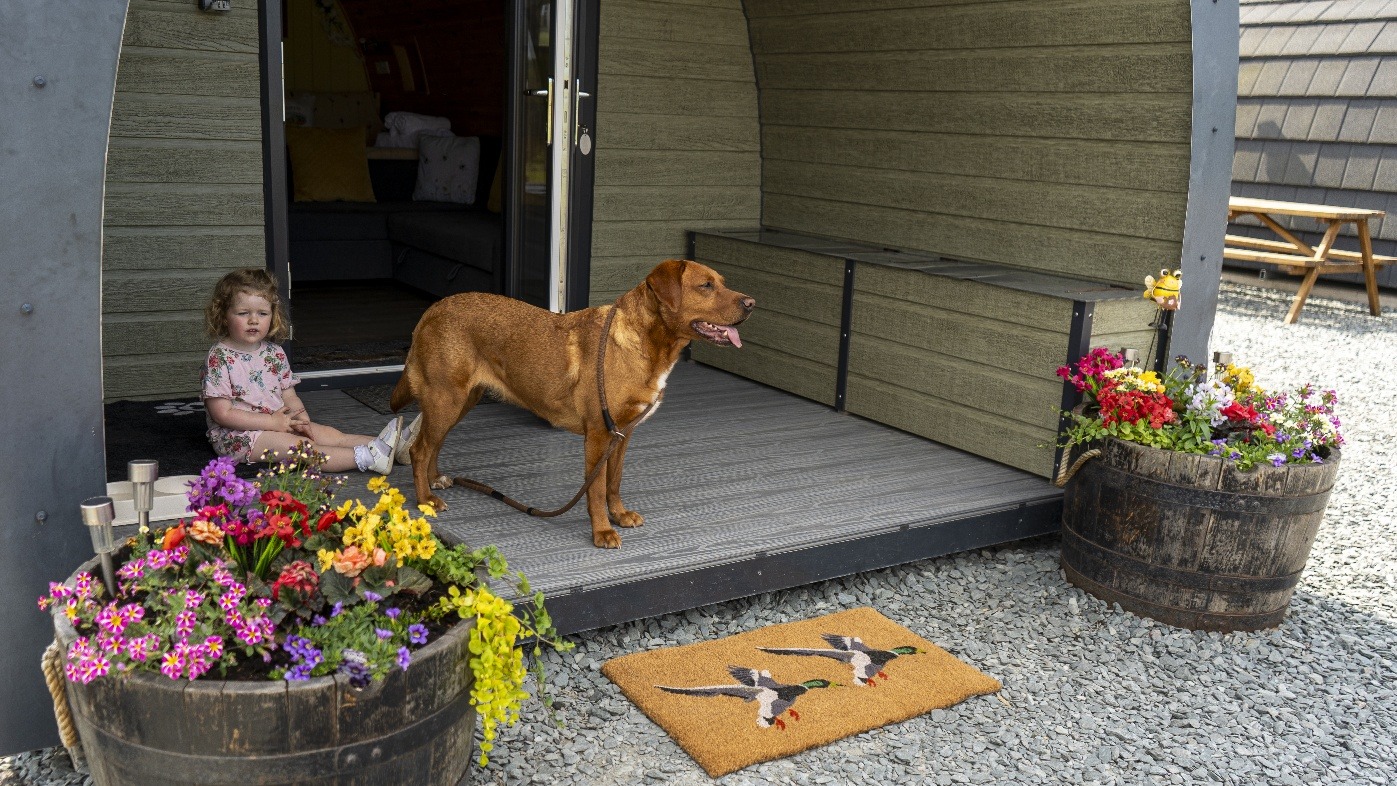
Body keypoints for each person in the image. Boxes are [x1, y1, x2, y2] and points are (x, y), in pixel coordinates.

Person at [200, 269, 417, 474]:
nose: (254, 320)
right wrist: (272, 423)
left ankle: (395, 447)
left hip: (279, 422)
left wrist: (302, 419)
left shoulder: (274, 353)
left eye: (262, 313)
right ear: (224, 315)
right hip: (240, 436)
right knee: (302, 447)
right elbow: (223, 414)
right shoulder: (219, 358)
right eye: (243, 313)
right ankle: (367, 459)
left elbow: (289, 395)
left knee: (331, 434)